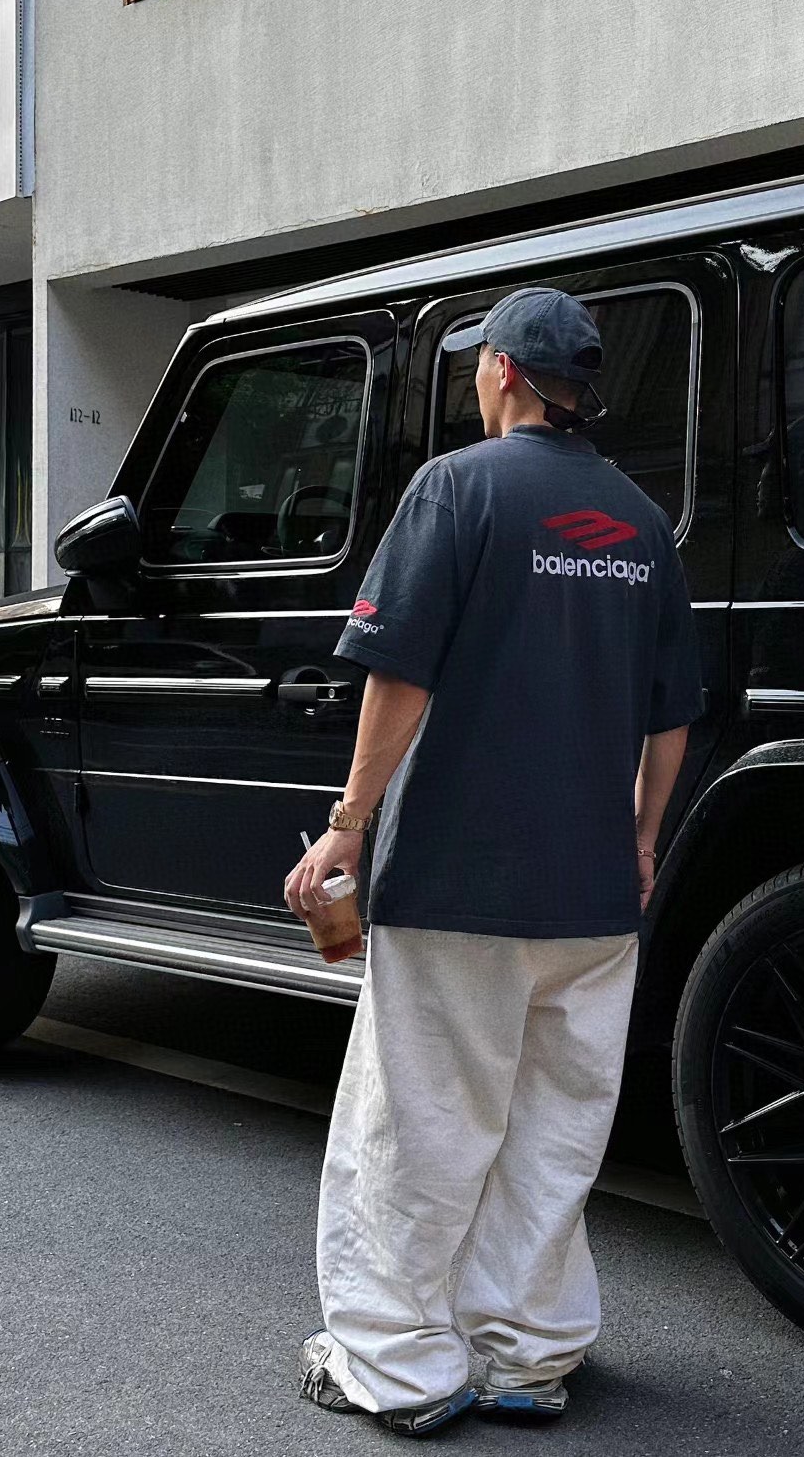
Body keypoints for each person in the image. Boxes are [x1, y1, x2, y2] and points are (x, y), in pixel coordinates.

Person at [284, 286, 703, 1438]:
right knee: (551, 1130)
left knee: (420, 1124)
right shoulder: (639, 521)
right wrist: (640, 841)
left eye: (480, 362)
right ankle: (525, 1355)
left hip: (457, 883)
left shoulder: (455, 488)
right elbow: (671, 714)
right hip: (591, 899)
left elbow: (399, 673)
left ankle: (397, 1368)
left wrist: (349, 822)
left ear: (504, 373)